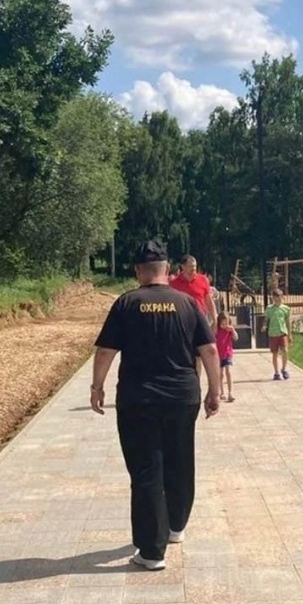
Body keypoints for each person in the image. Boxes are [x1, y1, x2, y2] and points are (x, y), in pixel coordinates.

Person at [91, 240, 221, 570]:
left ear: (138, 271)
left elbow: (106, 351)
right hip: (182, 397)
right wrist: (215, 390)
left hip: (139, 399)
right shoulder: (187, 303)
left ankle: (151, 551)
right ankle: (176, 526)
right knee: (180, 461)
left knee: (147, 469)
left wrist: (97, 386)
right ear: (167, 270)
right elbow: (209, 350)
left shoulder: (126, 303)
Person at [169, 254, 218, 327]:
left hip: (201, 319)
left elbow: (209, 300)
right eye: (190, 266)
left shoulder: (203, 280)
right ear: (183, 267)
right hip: (182, 320)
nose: (193, 269)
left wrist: (215, 319)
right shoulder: (174, 283)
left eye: (195, 266)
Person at [266, 290, 292, 381]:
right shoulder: (269, 308)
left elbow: (288, 322)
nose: (277, 300)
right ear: (273, 298)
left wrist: (289, 334)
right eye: (275, 298)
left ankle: (284, 369)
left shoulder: (286, 309)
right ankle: (276, 372)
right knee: (275, 353)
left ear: (282, 297)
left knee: (285, 350)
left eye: (279, 298)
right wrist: (264, 325)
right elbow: (266, 319)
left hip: (282, 332)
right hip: (273, 333)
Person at [215, 312, 238, 402]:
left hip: (227, 353)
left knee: (228, 371)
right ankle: (222, 392)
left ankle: (230, 392)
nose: (224, 326)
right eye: (222, 324)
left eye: (226, 323)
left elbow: (236, 338)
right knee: (220, 374)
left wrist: (232, 330)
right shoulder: (217, 330)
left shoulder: (229, 330)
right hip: (218, 354)